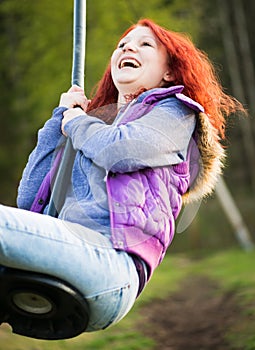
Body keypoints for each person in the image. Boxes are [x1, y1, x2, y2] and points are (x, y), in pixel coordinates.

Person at [0, 18, 245, 332]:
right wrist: (58, 121)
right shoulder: (90, 131)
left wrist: (77, 124)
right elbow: (30, 200)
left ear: (169, 71)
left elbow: (121, 151)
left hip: (110, 265)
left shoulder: (175, 112)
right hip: (61, 259)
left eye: (145, 44)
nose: (128, 46)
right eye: (122, 45)